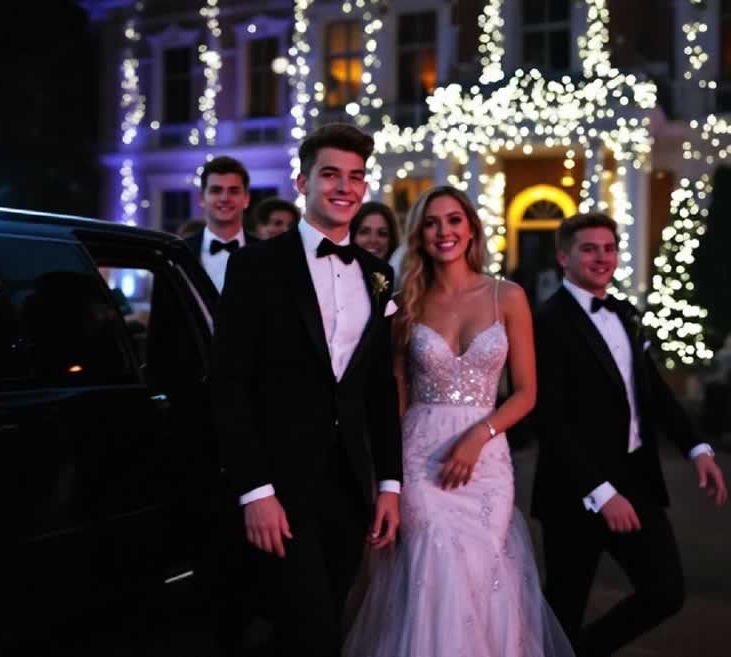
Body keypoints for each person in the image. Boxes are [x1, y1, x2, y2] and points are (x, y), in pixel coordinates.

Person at [344, 185, 574, 657]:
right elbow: (397, 394)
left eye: (453, 220)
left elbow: (527, 393)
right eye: (431, 223)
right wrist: (385, 476)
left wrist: (478, 435)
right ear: (420, 234)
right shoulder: (406, 300)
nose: (443, 231)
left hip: (487, 461)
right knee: (435, 557)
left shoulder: (506, 296)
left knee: (485, 575)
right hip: (418, 457)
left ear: (471, 228)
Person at [210, 123, 403, 657]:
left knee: (325, 624)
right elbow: (228, 385)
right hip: (280, 489)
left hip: (348, 488)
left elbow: (379, 390)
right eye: (331, 175)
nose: (345, 187)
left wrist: (389, 483)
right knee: (309, 630)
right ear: (302, 181)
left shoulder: (377, 274)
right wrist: (255, 490)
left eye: (356, 177)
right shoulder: (255, 266)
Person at [532, 212, 727, 657]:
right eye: (589, 248)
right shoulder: (546, 321)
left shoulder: (624, 312)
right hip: (575, 492)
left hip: (637, 480)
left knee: (665, 591)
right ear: (564, 256)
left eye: (609, 248)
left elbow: (653, 391)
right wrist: (601, 492)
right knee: (564, 607)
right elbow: (550, 419)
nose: (602, 258)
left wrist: (697, 448)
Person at [184, 156, 259, 292]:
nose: (225, 198)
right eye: (216, 190)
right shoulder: (182, 253)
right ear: (202, 198)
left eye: (233, 191)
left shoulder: (267, 255)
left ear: (246, 198)